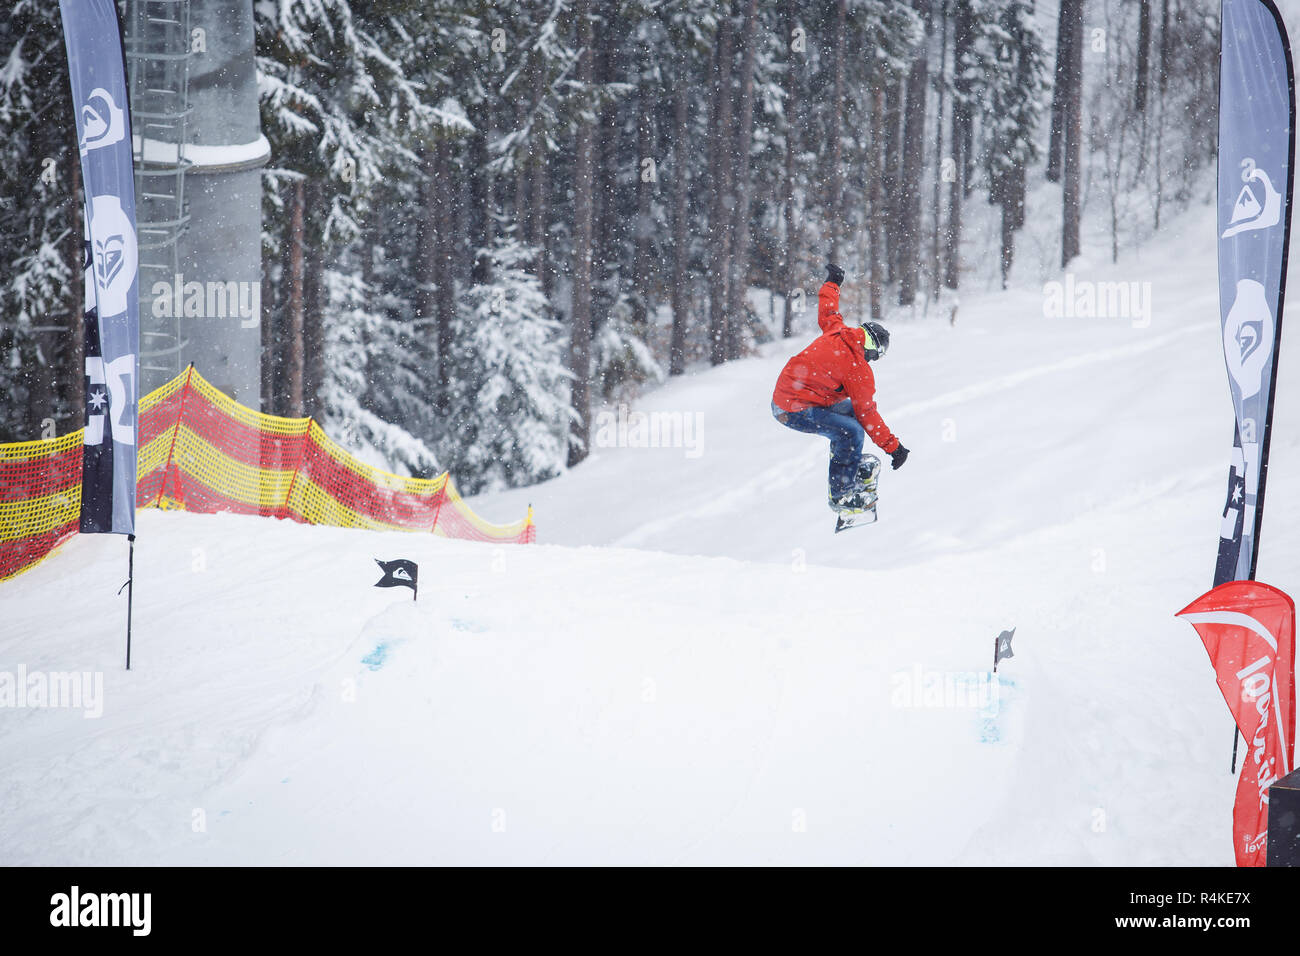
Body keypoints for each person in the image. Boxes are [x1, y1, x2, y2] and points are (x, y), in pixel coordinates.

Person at [771, 263, 908, 512]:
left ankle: (846, 461)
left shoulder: (840, 331)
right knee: (851, 432)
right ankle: (842, 495)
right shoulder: (858, 369)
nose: (873, 361)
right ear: (872, 350)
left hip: (793, 396)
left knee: (850, 418)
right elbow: (869, 414)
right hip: (792, 409)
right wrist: (894, 448)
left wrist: (833, 282)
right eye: (876, 356)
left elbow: (828, 310)